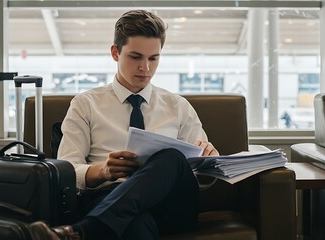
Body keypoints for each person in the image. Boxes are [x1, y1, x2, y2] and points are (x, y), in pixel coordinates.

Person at [29, 9, 219, 240]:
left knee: (171, 157)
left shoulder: (178, 106)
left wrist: (210, 162)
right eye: (136, 57)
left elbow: (199, 176)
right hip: (109, 196)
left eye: (153, 58)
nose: (145, 68)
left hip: (170, 206)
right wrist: (103, 171)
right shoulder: (86, 104)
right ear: (115, 53)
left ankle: (82, 231)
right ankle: (90, 228)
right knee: (135, 223)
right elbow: (66, 171)